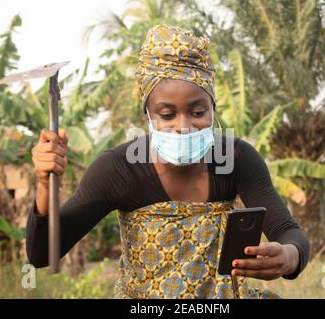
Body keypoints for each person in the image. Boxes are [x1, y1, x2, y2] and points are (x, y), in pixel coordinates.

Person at [26, 24, 310, 299]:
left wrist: (289, 256)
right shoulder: (119, 169)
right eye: (167, 114)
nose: (184, 125)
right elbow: (42, 254)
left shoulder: (235, 159)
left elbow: (288, 232)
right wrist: (44, 184)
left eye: (198, 112)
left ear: (213, 110)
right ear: (148, 115)